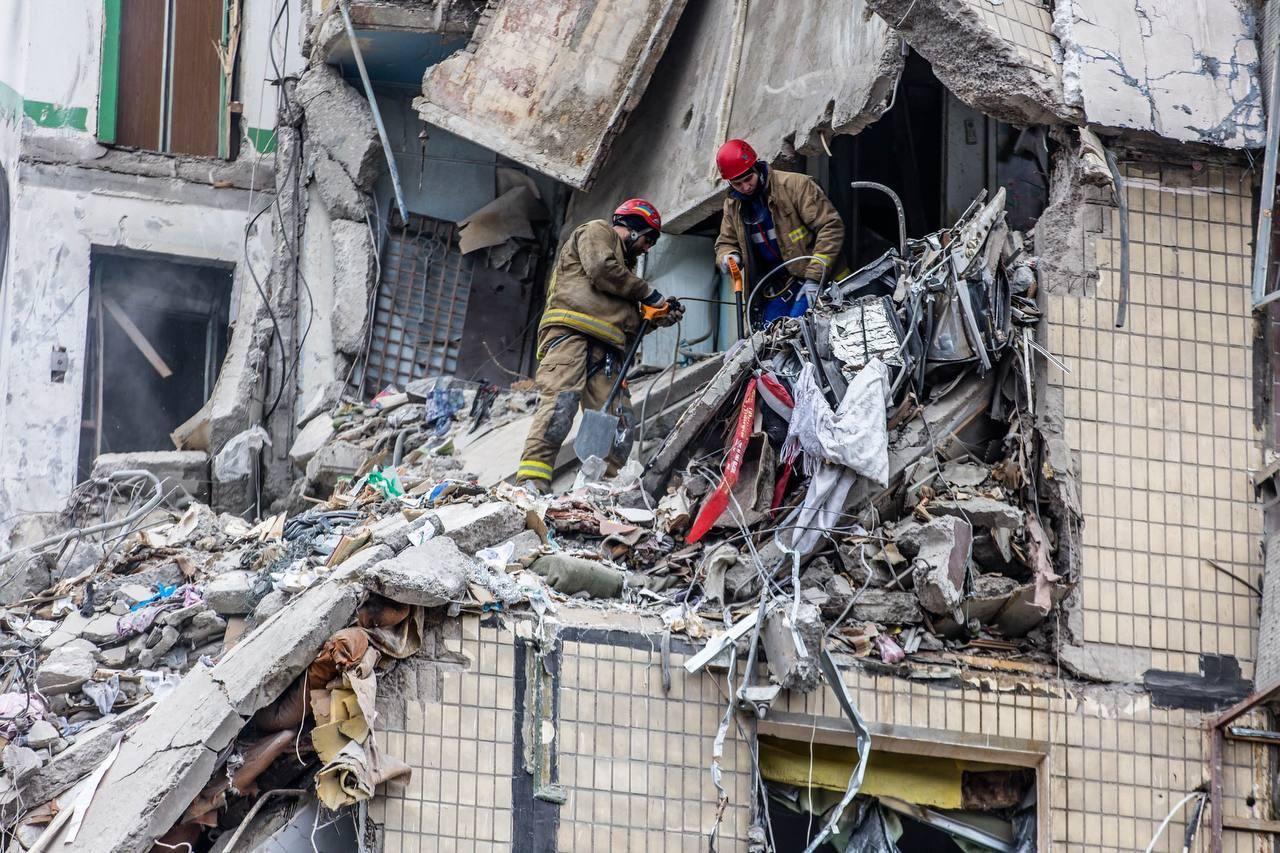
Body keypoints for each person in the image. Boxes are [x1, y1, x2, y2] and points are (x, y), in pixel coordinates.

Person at [516, 199, 684, 492]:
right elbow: (600, 269)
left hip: (608, 351)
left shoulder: (625, 276)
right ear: (634, 229)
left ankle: (600, 491)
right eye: (648, 240)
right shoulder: (597, 231)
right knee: (560, 408)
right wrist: (649, 294)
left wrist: (657, 318)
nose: (647, 248)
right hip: (571, 335)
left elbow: (628, 326)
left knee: (620, 424)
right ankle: (531, 483)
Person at [713, 138, 846, 326]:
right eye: (737, 184)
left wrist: (814, 278)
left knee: (798, 330)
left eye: (748, 179)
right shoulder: (733, 205)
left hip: (815, 278)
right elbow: (726, 243)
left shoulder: (796, 186)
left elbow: (830, 226)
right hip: (778, 286)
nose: (745, 187)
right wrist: (728, 256)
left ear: (756, 168)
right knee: (770, 334)